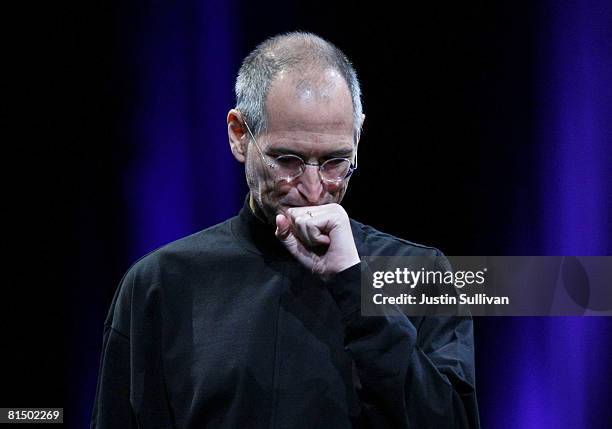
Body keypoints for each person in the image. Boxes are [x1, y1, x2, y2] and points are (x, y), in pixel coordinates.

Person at [91, 32, 479, 428]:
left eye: (335, 161)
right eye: (288, 159)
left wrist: (355, 286)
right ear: (240, 135)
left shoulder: (420, 275)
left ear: (358, 136)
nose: (313, 190)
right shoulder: (161, 284)